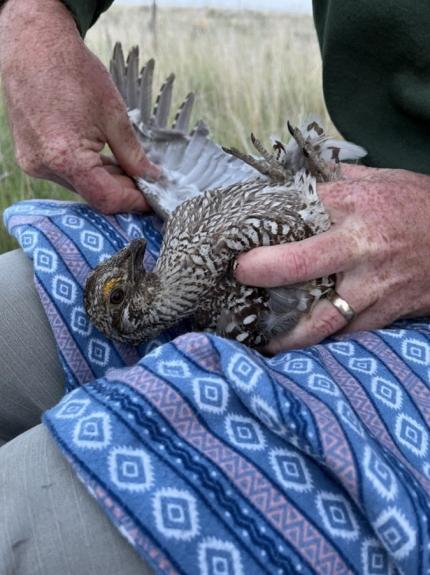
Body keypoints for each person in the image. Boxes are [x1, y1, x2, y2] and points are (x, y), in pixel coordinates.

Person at [0, 0, 429, 573]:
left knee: (28, 518)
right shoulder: (184, 261)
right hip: (360, 189)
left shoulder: (233, 307)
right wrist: (35, 15)